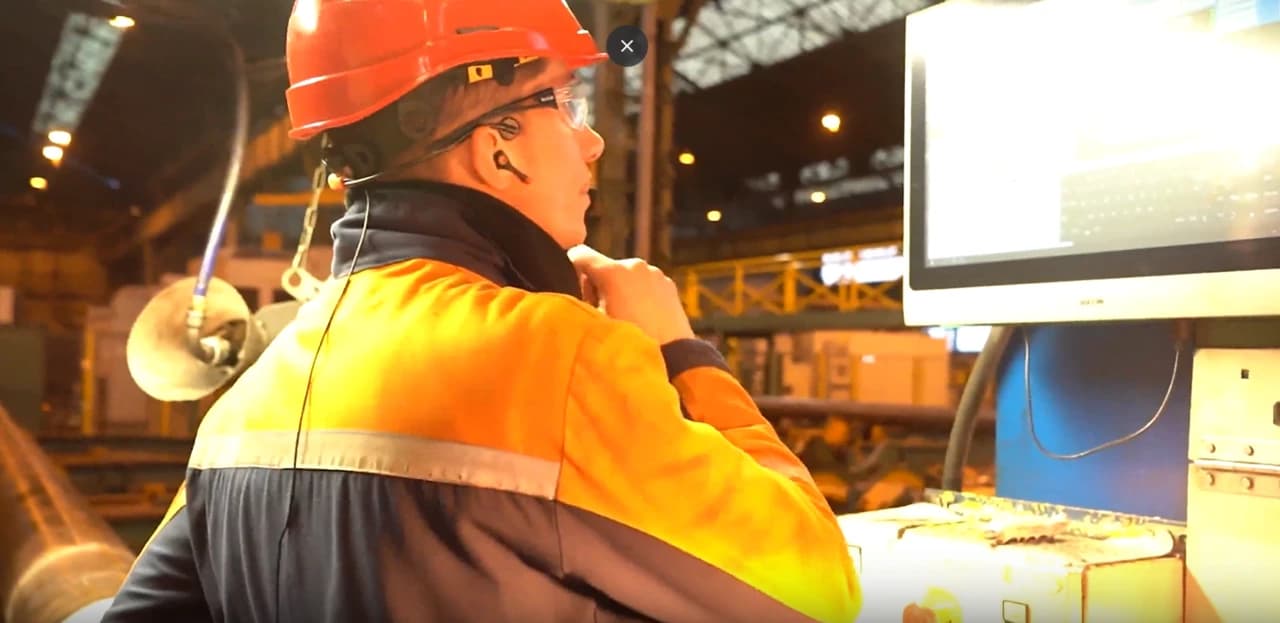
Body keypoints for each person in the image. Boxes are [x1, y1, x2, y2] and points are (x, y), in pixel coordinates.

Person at [100, 1, 860, 621]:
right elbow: (819, 586)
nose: (591, 139)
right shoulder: (557, 355)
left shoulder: (243, 408)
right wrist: (679, 350)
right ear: (498, 149)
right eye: (564, 103)